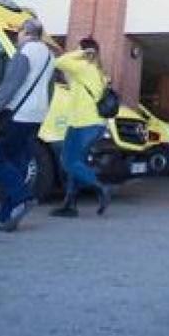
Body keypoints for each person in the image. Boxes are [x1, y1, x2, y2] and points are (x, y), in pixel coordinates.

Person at [0, 18, 58, 232]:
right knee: (17, 165)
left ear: (26, 32)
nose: (17, 37)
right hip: (36, 117)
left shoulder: (25, 52)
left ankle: (23, 197)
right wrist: (42, 111)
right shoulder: (50, 56)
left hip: (17, 116)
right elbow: (50, 90)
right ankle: (5, 217)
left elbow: (10, 86)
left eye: (18, 32)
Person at [50, 37, 113, 218]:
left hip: (84, 124)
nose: (75, 51)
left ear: (85, 51)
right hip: (87, 123)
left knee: (68, 161)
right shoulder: (98, 71)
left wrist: (81, 53)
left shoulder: (83, 67)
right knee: (76, 163)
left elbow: (58, 62)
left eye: (78, 48)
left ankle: (101, 187)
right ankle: (70, 205)